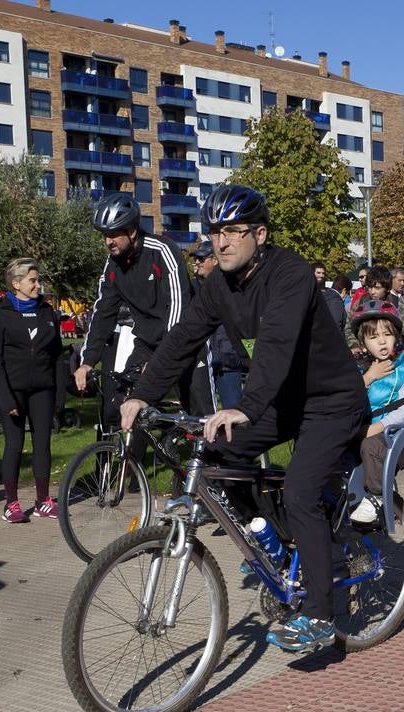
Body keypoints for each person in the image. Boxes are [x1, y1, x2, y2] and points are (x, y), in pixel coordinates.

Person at [119, 185, 368, 655]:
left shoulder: (290, 273)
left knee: (299, 491)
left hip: (331, 400)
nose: (222, 241)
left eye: (233, 231)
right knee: (215, 458)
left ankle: (318, 611)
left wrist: (246, 406)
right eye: (215, 231)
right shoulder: (218, 285)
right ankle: (271, 541)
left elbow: (274, 343)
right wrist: (142, 395)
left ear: (260, 233)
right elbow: (183, 339)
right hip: (280, 401)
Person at [75, 194, 214, 422]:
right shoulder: (112, 265)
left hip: (186, 341)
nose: (108, 241)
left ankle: (220, 455)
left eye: (114, 234)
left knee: (201, 417)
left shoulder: (162, 250)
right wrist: (87, 361)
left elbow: (178, 306)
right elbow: (103, 312)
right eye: (104, 235)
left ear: (131, 231)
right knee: (127, 403)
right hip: (146, 343)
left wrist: (163, 356)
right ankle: (130, 457)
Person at [0, 258, 64, 523]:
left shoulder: (47, 311)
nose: (37, 284)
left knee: (42, 443)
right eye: (32, 280)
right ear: (16, 283)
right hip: (13, 389)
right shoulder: (0, 314)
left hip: (43, 389)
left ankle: (43, 500)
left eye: (37, 279)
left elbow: (57, 356)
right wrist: (6, 397)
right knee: (15, 444)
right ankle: (11, 504)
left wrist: (59, 396)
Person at [348, 297, 404, 527]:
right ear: (363, 341)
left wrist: (377, 427)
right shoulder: (359, 369)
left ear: (397, 337)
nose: (382, 342)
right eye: (373, 337)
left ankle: (379, 496)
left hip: (393, 433)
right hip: (361, 428)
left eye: (387, 335)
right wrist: (369, 377)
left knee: (370, 446)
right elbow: (344, 398)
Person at [196, 242, 247, 411]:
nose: (197, 262)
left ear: (215, 260)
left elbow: (245, 322)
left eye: (201, 258)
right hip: (201, 363)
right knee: (202, 415)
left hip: (228, 361)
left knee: (233, 412)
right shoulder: (190, 289)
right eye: (196, 259)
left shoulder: (232, 286)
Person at [345, 267, 404, 351]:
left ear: (387, 288)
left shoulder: (396, 303)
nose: (372, 292)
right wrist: (354, 345)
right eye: (370, 287)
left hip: (391, 351)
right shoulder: (361, 302)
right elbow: (349, 328)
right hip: (367, 353)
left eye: (377, 288)